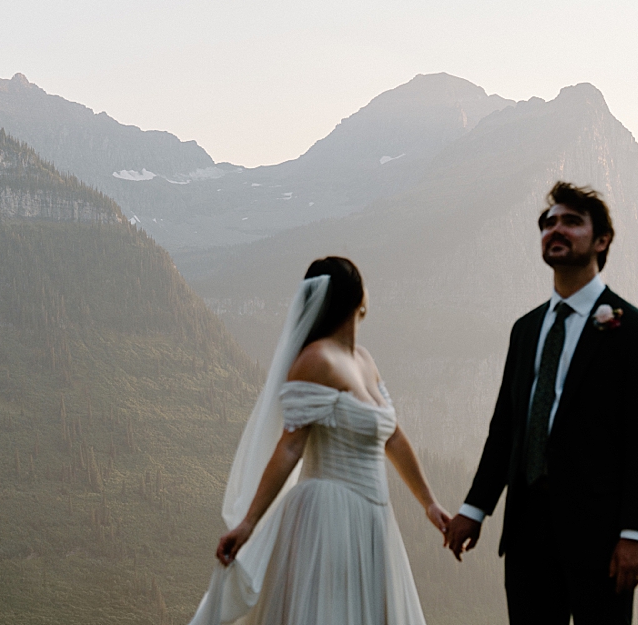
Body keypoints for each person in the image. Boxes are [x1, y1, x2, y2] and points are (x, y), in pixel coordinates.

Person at [444, 182, 638, 624]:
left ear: (601, 240)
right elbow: (507, 426)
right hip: (527, 530)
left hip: (602, 537)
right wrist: (474, 508)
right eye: (548, 223)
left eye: (571, 221)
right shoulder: (525, 330)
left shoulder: (634, 331)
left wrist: (635, 535)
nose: (555, 230)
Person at [189, 256, 450, 625]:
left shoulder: (364, 360)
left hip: (373, 516)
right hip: (328, 515)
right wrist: (248, 523)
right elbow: (291, 445)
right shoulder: (315, 360)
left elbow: (391, 434)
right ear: (360, 298)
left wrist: (429, 504)